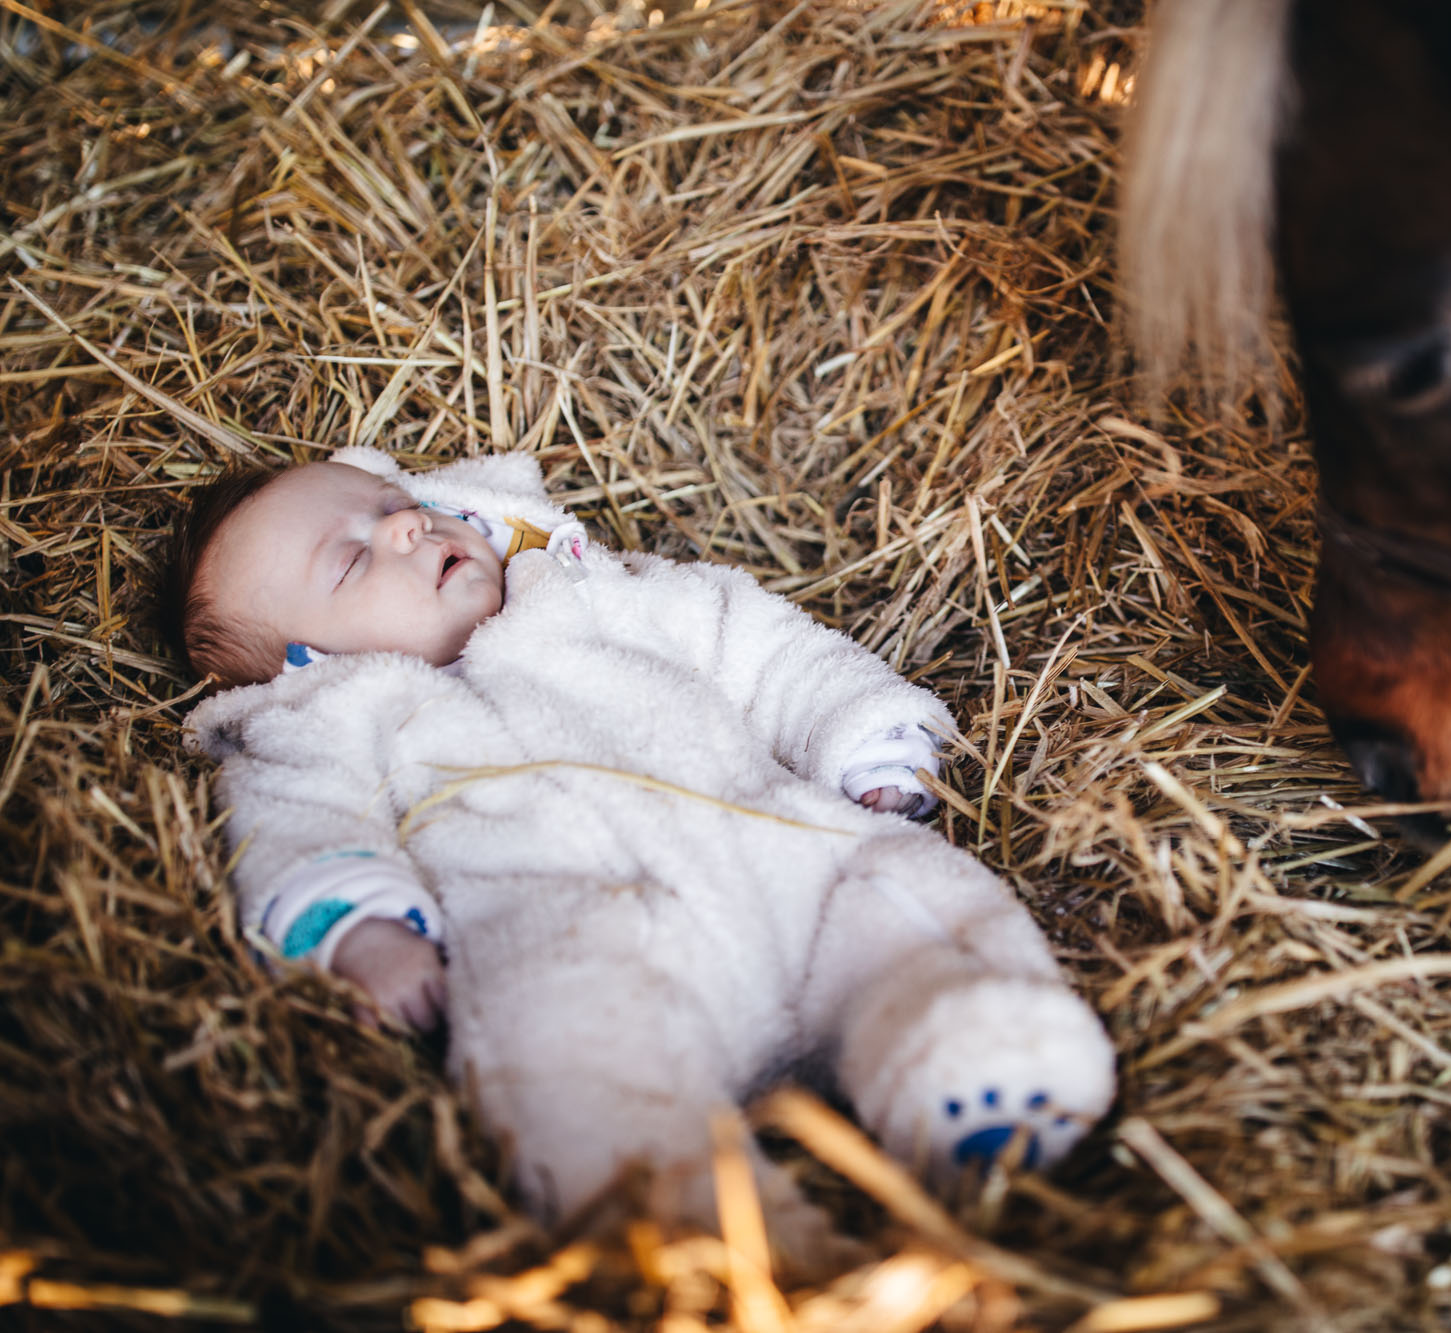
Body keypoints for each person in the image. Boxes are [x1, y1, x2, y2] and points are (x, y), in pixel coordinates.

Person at [164, 446, 1115, 1265]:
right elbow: (297, 826)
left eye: (393, 505)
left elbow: (762, 646)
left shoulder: (594, 595)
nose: (406, 529)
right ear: (305, 659)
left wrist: (861, 741)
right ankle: (695, 1241)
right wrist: (363, 932)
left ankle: (974, 1060)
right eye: (351, 559)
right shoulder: (329, 720)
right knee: (557, 1050)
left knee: (907, 887)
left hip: (783, 861)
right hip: (590, 941)